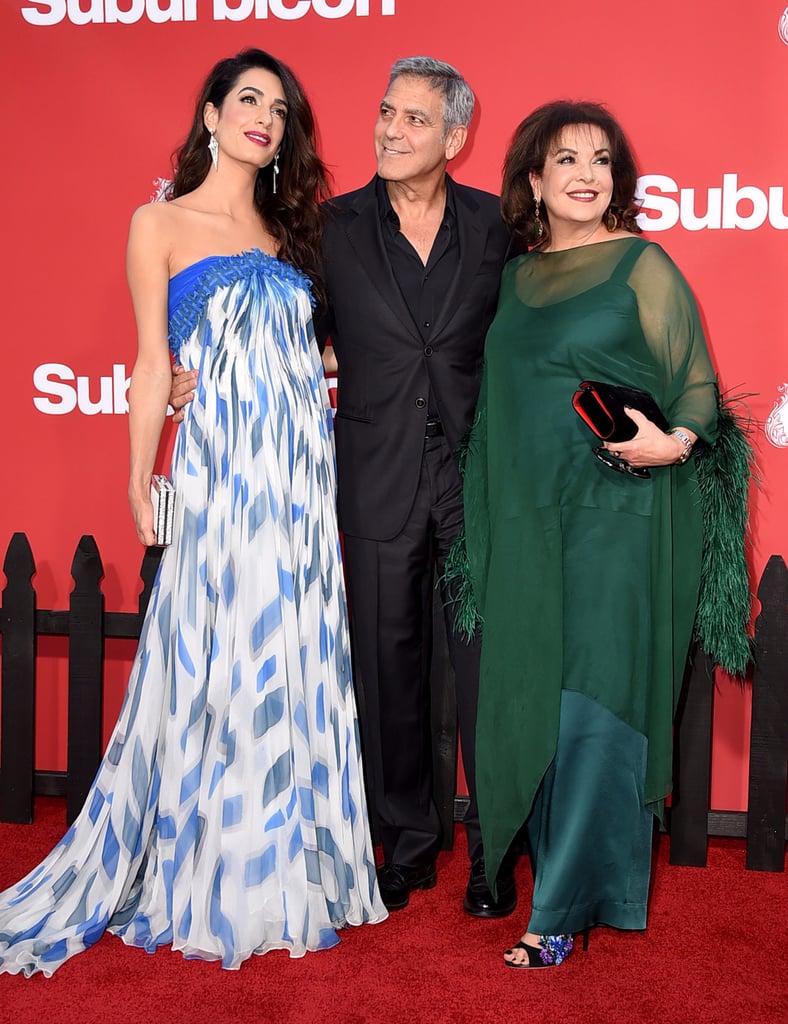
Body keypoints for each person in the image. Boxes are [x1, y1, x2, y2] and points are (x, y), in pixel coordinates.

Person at [0, 48, 386, 978]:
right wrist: (141, 474)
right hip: (222, 475)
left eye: (280, 110)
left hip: (300, 478)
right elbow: (149, 362)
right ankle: (219, 868)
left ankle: (289, 866)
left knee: (291, 649)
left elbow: (317, 355)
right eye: (248, 99)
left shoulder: (296, 234)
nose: (265, 118)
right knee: (223, 654)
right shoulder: (159, 222)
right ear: (210, 115)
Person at [170, 56, 515, 917]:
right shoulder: (328, 228)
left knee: (490, 674)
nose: (391, 130)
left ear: (455, 139)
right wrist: (193, 369)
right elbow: (285, 332)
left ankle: (496, 852)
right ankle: (408, 843)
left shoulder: (496, 225)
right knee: (387, 672)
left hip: (475, 480)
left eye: (414, 120)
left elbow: (527, 340)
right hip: (372, 475)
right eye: (387, 112)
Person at [458, 100, 749, 968]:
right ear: (534, 179)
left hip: (617, 521)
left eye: (601, 160)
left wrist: (674, 442)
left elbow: (695, 384)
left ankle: (560, 911)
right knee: (539, 699)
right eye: (566, 159)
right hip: (530, 523)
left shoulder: (642, 265)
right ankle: (558, 879)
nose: (586, 174)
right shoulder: (514, 278)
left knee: (594, 704)